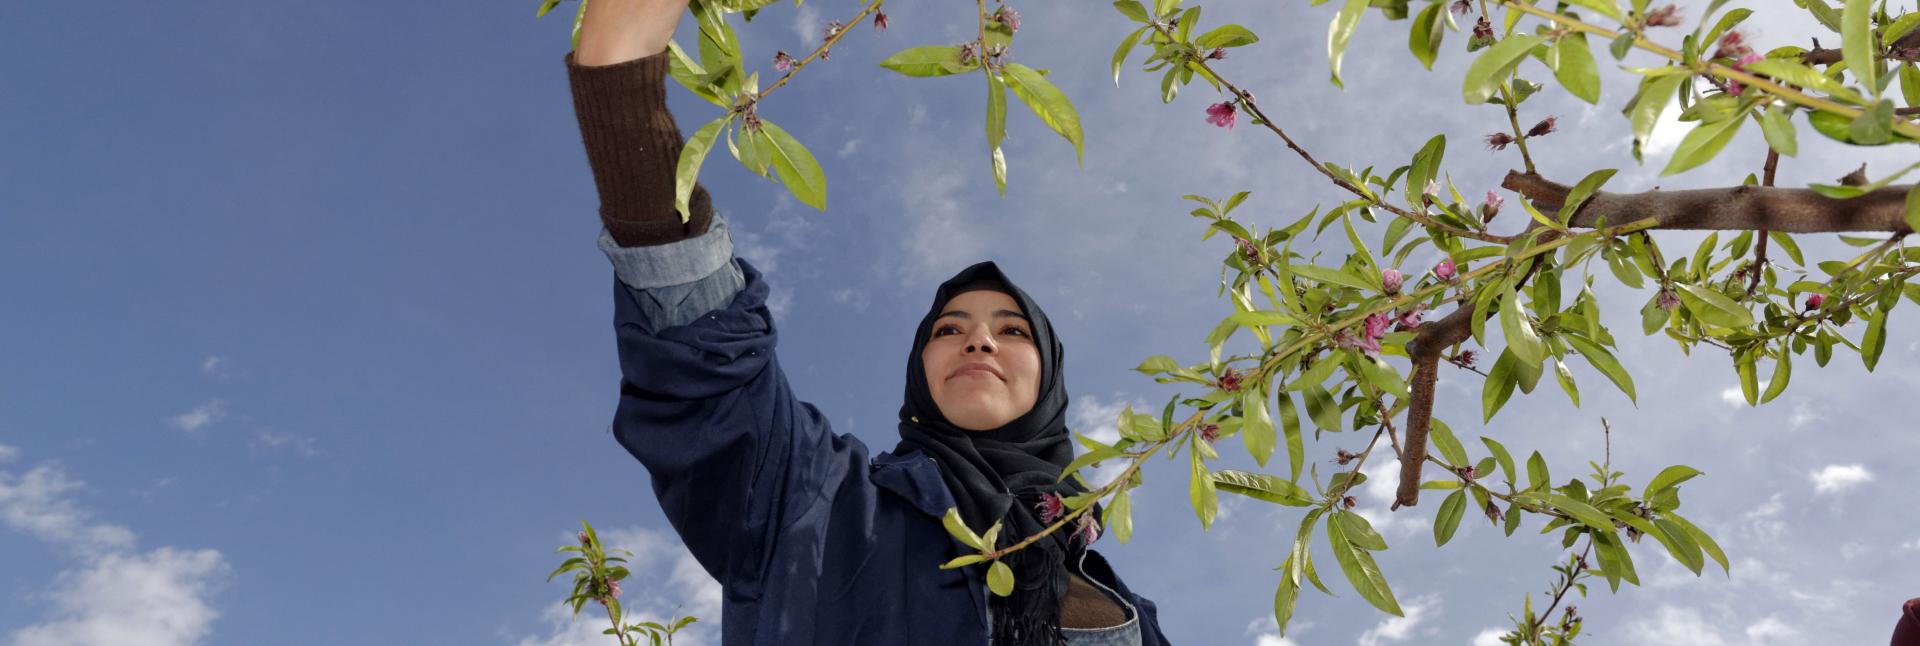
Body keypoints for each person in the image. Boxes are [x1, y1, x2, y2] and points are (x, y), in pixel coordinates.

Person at [564, 1, 1172, 644]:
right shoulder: (817, 502)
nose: (979, 338)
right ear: (920, 374)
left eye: (1014, 330)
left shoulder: (1127, 600)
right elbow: (706, 356)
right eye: (947, 328)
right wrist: (620, 77)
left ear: (1051, 381)